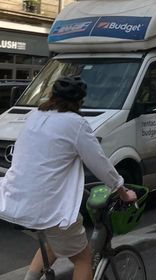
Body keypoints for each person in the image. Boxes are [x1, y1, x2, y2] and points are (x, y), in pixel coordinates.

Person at [0, 76, 137, 280]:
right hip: (47, 205)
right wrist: (122, 191)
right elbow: (99, 162)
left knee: (54, 241)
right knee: (83, 258)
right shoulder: (76, 123)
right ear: (79, 103)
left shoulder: (35, 116)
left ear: (51, 97)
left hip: (12, 197)